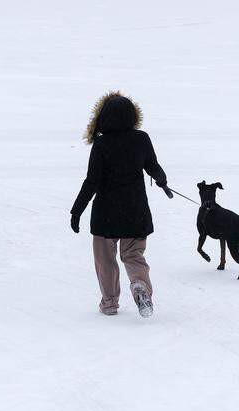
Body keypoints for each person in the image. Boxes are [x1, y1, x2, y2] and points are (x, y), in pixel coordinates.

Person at [70, 91, 173, 317]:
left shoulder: (102, 143)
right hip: (136, 210)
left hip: (106, 213)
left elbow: (92, 181)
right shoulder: (142, 138)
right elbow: (153, 166)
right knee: (133, 255)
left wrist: (76, 210)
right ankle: (140, 287)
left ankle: (109, 303)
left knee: (105, 259)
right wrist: (163, 182)